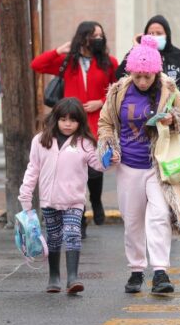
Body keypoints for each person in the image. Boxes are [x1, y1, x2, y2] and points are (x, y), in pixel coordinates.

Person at [99, 35, 180, 294]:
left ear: (155, 73)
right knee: (132, 221)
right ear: (131, 72)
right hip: (128, 165)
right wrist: (109, 146)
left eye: (147, 77)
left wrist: (172, 119)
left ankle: (160, 271)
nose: (142, 81)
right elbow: (105, 123)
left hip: (158, 165)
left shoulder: (168, 88)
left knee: (160, 215)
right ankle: (136, 270)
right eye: (138, 76)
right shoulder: (119, 90)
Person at [31, 21, 119, 237]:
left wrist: (101, 100)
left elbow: (119, 89)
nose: (98, 39)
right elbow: (37, 65)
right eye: (94, 35)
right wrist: (58, 50)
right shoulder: (68, 61)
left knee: (95, 170)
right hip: (72, 123)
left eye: (101, 35)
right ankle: (79, 218)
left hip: (98, 122)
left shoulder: (109, 62)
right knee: (74, 172)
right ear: (83, 38)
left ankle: (96, 200)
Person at [18, 98, 110, 295]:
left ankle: (73, 278)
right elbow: (32, 169)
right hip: (49, 200)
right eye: (63, 119)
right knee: (54, 237)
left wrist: (110, 158)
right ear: (55, 119)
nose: (68, 124)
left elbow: (99, 166)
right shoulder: (41, 140)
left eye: (73, 120)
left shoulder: (85, 143)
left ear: (80, 122)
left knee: (72, 233)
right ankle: (53, 277)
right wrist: (25, 196)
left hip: (74, 201)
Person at [116, 15, 180, 118]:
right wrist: (136, 49)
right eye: (151, 34)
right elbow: (120, 75)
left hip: (176, 118)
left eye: (159, 33)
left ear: (167, 35)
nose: (155, 36)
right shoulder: (141, 57)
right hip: (147, 117)